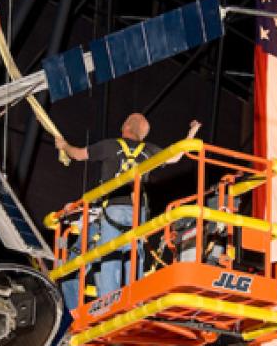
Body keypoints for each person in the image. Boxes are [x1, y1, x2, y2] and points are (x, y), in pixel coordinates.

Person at [55, 113, 201, 308]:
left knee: (110, 254)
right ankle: (135, 300)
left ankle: (109, 304)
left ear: (125, 126)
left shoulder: (111, 145)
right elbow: (175, 156)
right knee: (134, 255)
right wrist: (191, 134)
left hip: (113, 209)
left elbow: (78, 154)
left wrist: (63, 145)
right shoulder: (148, 150)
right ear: (142, 134)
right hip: (136, 212)